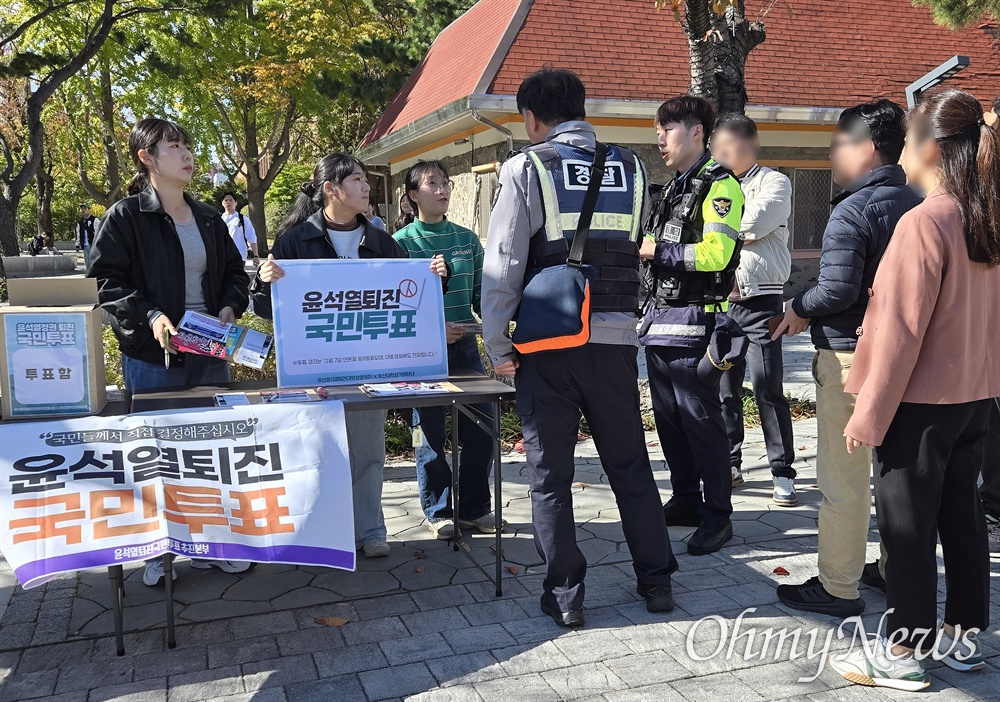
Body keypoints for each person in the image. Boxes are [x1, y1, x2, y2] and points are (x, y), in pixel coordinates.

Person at [482, 68, 677, 627]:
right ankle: (656, 579)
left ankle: (567, 595)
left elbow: (504, 266)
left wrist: (499, 346)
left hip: (548, 343)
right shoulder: (633, 166)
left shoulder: (526, 167)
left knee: (550, 475)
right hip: (616, 338)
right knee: (630, 463)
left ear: (532, 117)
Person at [830, 87, 1000, 691]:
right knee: (961, 518)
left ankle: (904, 649)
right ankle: (962, 639)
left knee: (906, 527)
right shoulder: (985, 218)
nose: (902, 151)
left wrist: (866, 415)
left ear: (930, 147)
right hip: (976, 397)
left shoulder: (926, 221)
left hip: (921, 403)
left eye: (907, 140)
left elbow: (900, 331)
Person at [251, 153, 448, 559]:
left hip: (369, 367)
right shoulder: (294, 240)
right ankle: (322, 532)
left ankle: (372, 530)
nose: (366, 186)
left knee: (369, 451)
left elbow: (409, 301)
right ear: (331, 189)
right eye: (357, 179)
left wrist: (435, 278)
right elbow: (269, 309)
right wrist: (263, 282)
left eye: (365, 179)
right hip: (313, 369)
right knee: (316, 452)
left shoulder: (382, 242)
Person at [773, 99, 921, 617]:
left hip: (850, 358)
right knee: (895, 475)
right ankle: (887, 569)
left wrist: (797, 307)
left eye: (839, 143)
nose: (833, 154)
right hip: (912, 359)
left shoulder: (852, 210)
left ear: (868, 148)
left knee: (844, 478)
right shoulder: (920, 201)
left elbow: (836, 290)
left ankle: (838, 586)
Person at [89, 118, 251, 586]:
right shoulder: (125, 216)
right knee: (157, 452)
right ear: (147, 158)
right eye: (174, 146)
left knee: (210, 450)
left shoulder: (207, 217)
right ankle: (157, 551)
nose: (186, 154)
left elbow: (235, 273)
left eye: (187, 145)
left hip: (210, 349)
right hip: (155, 354)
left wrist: (228, 305)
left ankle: (211, 542)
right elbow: (109, 284)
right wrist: (152, 317)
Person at [640, 95, 745, 556]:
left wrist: (653, 251)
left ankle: (717, 516)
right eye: (658, 130)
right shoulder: (673, 188)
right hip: (659, 321)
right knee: (669, 420)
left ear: (697, 131)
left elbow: (716, 255)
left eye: (668, 129)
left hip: (697, 323)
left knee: (701, 420)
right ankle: (685, 500)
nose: (659, 138)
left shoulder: (721, 187)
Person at [393, 160, 505, 539]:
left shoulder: (467, 240)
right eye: (431, 183)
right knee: (429, 434)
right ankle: (438, 510)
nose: (442, 190)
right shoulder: (401, 244)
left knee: (483, 427)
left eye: (445, 183)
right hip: (421, 353)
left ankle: (475, 509)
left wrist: (495, 327)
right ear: (412, 196)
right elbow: (395, 306)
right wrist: (432, 331)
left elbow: (480, 298)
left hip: (466, 350)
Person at [710, 113, 797, 506]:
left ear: (749, 144)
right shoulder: (712, 185)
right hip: (722, 303)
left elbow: (755, 222)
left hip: (762, 300)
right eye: (718, 148)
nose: (722, 154)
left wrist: (715, 233)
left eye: (728, 147)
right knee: (725, 389)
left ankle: (782, 472)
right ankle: (731, 462)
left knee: (768, 389)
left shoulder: (774, 182)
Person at [220, 191, 259, 267]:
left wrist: (255, 256)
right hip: (222, 258)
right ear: (222, 203)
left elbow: (251, 238)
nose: (228, 202)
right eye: (226, 200)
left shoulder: (242, 219)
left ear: (236, 203)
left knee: (237, 278)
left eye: (231, 200)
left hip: (239, 257)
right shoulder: (218, 219)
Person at [77, 203, 99, 270]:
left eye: (85, 208)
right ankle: (88, 274)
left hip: (93, 244)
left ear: (89, 210)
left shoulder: (94, 220)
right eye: (82, 209)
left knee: (94, 261)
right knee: (87, 262)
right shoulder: (80, 222)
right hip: (85, 245)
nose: (83, 210)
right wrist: (77, 244)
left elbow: (99, 231)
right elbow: (78, 233)